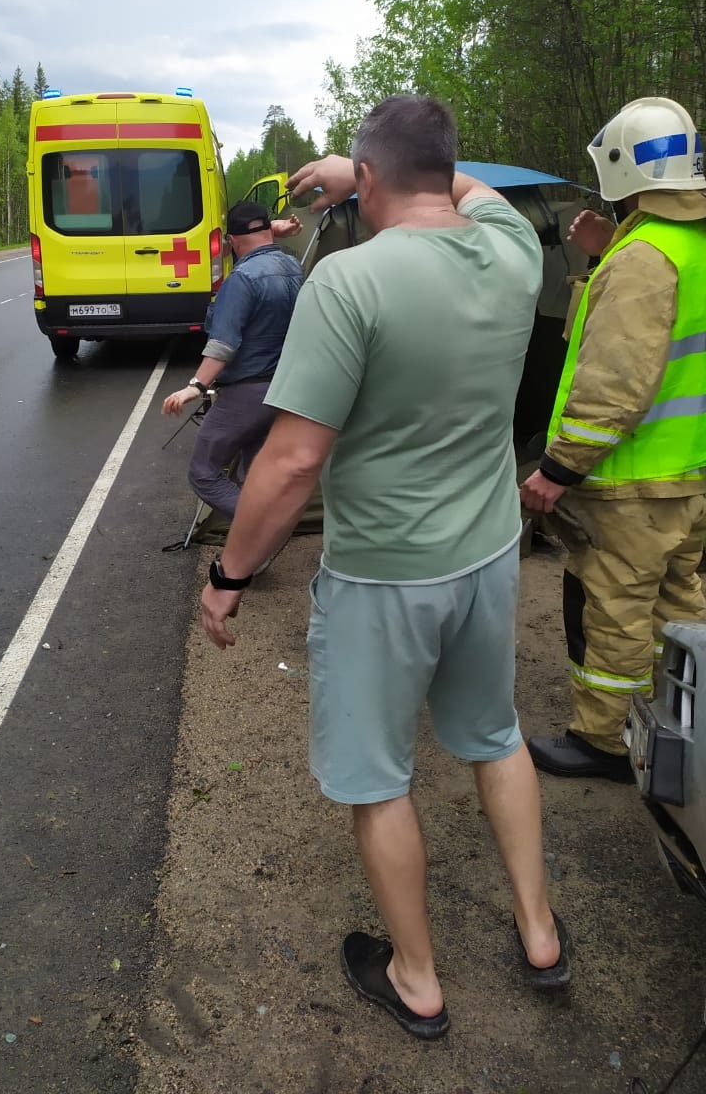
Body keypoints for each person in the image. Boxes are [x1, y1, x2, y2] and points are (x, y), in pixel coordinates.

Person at [200, 95, 570, 1041]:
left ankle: (417, 977)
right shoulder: (515, 247)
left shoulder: (351, 283)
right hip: (489, 555)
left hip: (383, 576)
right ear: (444, 167)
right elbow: (470, 189)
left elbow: (289, 463)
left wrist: (231, 577)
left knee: (377, 778)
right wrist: (362, 165)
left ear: (365, 184)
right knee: (494, 735)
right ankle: (537, 933)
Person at [521, 98, 706, 780]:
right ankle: (682, 723)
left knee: (617, 613)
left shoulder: (643, 259)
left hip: (632, 480)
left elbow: (615, 384)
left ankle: (606, 743)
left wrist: (557, 469)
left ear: (624, 168)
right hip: (690, 472)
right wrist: (606, 252)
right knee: (678, 606)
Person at [162, 201, 303, 522]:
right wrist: (272, 230)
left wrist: (195, 387)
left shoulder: (242, 279)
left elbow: (224, 343)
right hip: (285, 388)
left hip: (245, 394)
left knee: (204, 472)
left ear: (233, 242)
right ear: (268, 231)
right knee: (254, 472)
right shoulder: (293, 267)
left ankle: (263, 528)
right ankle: (258, 552)